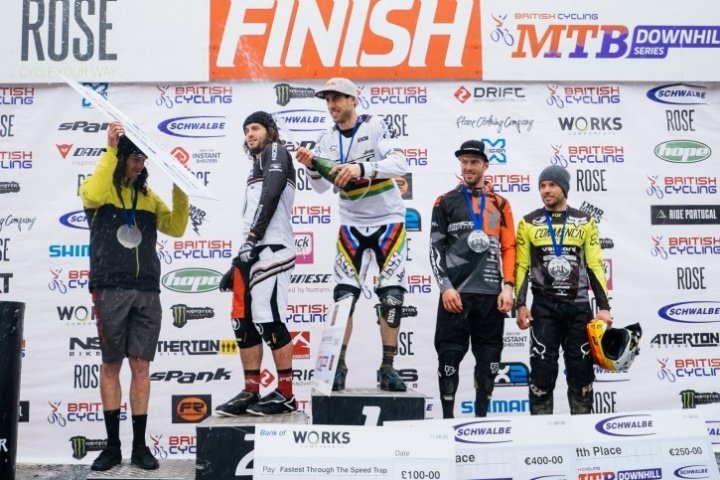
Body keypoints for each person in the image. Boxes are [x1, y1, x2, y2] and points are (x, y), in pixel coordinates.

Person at [80, 121, 189, 471]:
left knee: (141, 366)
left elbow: (176, 227)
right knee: (112, 364)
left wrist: (180, 185)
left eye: (143, 160)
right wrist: (110, 150)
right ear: (122, 157)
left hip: (147, 290)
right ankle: (112, 447)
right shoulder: (101, 189)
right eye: (134, 158)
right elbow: (91, 195)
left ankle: (140, 447)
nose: (139, 165)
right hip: (110, 287)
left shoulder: (148, 197)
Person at [295, 77, 409, 392]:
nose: (331, 105)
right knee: (344, 297)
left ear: (352, 100)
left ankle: (388, 368)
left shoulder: (375, 125)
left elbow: (400, 162)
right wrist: (311, 166)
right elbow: (321, 188)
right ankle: (339, 366)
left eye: (337, 98)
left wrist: (361, 169)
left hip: (388, 220)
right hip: (351, 223)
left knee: (392, 297)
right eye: (328, 99)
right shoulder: (326, 138)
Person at [215, 111, 297, 416]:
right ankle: (251, 391)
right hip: (253, 251)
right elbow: (253, 213)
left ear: (270, 130)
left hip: (273, 249)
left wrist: (252, 239)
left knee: (269, 320)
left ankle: (286, 394)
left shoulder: (276, 150)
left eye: (255, 128)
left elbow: (271, 193)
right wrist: (238, 261)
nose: (249, 134)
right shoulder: (256, 165)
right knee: (243, 322)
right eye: (246, 130)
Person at [514, 165, 612, 415]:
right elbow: (522, 266)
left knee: (581, 374)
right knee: (541, 374)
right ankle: (543, 433)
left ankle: (583, 431)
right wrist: (520, 304)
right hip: (544, 308)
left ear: (564, 189)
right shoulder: (528, 222)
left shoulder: (585, 221)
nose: (546, 190)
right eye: (542, 186)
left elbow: (594, 265)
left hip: (578, 307)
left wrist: (604, 307)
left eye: (552, 185)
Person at [429, 140, 516, 418]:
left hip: (491, 297)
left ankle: (481, 422)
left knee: (489, 363)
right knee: (449, 359)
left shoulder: (501, 204)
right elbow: (435, 247)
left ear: (485, 165)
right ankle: (447, 421)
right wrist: (445, 287)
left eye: (474, 162)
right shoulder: (445, 201)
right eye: (464, 162)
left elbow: (509, 248)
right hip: (456, 296)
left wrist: (508, 286)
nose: (468, 167)